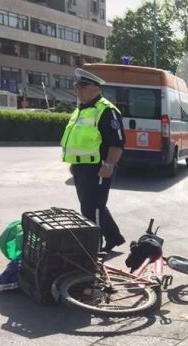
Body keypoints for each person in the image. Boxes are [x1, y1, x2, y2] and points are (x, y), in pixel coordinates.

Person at [60, 67, 126, 252]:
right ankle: (114, 237)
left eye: (82, 86)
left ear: (95, 87)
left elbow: (117, 142)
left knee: (92, 209)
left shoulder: (106, 110)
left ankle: (94, 249)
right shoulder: (81, 110)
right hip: (82, 167)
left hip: (98, 167)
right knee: (92, 205)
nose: (77, 90)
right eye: (76, 86)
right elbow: (80, 141)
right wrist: (75, 163)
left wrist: (109, 165)